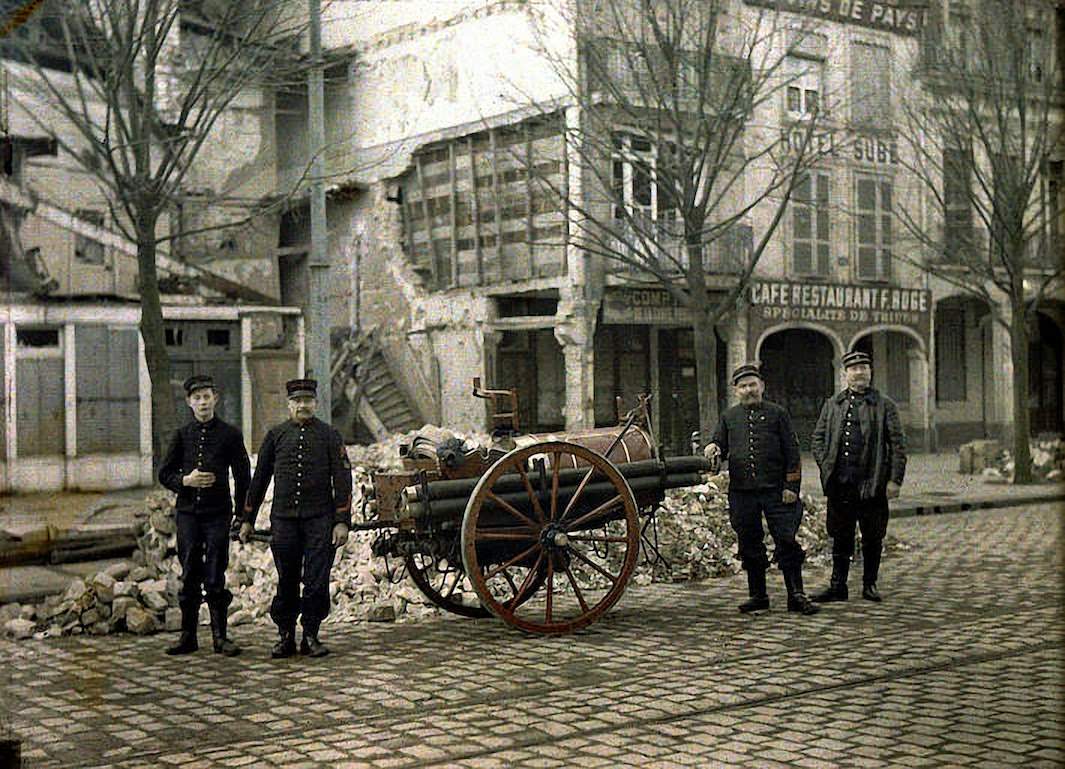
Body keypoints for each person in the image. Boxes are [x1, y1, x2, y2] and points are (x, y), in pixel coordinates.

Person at [240, 378, 352, 658]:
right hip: (284, 521)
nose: (303, 406)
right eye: (297, 401)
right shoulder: (275, 435)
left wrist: (341, 521)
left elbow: (342, 479)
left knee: (316, 580)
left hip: (320, 521)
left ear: (315, 403)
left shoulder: (329, 435)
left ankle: (311, 635)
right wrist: (246, 519)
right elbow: (260, 479)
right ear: (289, 404)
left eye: (308, 401)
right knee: (287, 579)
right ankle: (285, 636)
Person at [704, 363, 819, 615]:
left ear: (762, 386)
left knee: (786, 540)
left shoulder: (778, 414)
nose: (749, 390)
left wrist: (791, 486)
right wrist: (712, 447)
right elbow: (718, 445)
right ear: (736, 390)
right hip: (742, 492)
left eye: (752, 385)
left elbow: (793, 452)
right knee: (749, 543)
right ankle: (758, 596)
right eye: (743, 386)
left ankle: (796, 595)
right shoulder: (729, 417)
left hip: (776, 491)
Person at [159, 374, 250, 656]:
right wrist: (185, 481)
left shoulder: (230, 434)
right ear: (189, 402)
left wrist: (242, 515)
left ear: (215, 399)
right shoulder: (181, 435)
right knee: (189, 574)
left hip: (218, 515)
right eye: (197, 398)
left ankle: (220, 637)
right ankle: (188, 636)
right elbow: (164, 474)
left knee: (214, 573)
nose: (202, 402)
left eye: (207, 397)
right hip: (188, 515)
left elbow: (243, 476)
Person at [810, 350, 907, 604]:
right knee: (840, 536)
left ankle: (869, 584)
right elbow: (817, 439)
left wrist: (895, 480)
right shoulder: (833, 404)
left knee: (873, 536)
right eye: (854, 369)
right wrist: (827, 465)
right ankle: (837, 586)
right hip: (840, 485)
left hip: (872, 485)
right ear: (846, 374)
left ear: (870, 372)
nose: (859, 372)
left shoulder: (885, 405)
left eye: (864, 367)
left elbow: (897, 445)